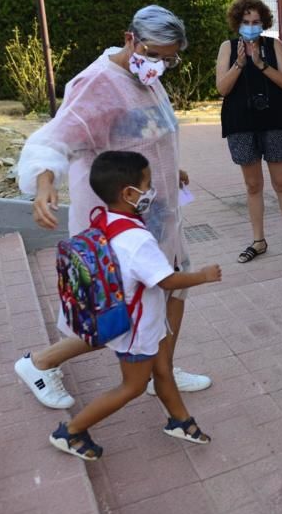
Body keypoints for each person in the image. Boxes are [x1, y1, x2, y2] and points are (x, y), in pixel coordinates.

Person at [14, 5, 211, 410]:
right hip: (119, 226)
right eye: (155, 54)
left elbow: (146, 134)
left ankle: (163, 375)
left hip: (159, 216)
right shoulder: (97, 83)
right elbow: (53, 140)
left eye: (170, 57)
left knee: (173, 292)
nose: (162, 64)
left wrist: (171, 168)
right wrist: (44, 181)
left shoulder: (145, 77)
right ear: (130, 39)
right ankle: (39, 364)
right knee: (117, 311)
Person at [49, 151, 221, 461]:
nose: (152, 190)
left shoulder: (106, 218)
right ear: (129, 193)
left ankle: (180, 422)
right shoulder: (138, 239)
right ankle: (71, 431)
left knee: (163, 370)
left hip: (141, 320)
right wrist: (203, 276)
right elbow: (166, 281)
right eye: (148, 184)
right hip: (137, 329)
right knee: (133, 386)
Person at [215, 0, 282, 266]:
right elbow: (222, 88)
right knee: (253, 185)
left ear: (263, 22)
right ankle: (259, 241)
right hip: (240, 124)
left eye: (256, 22)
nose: (251, 27)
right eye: (246, 22)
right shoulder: (228, 48)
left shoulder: (274, 45)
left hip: (275, 121)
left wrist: (261, 64)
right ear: (237, 23)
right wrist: (240, 64)